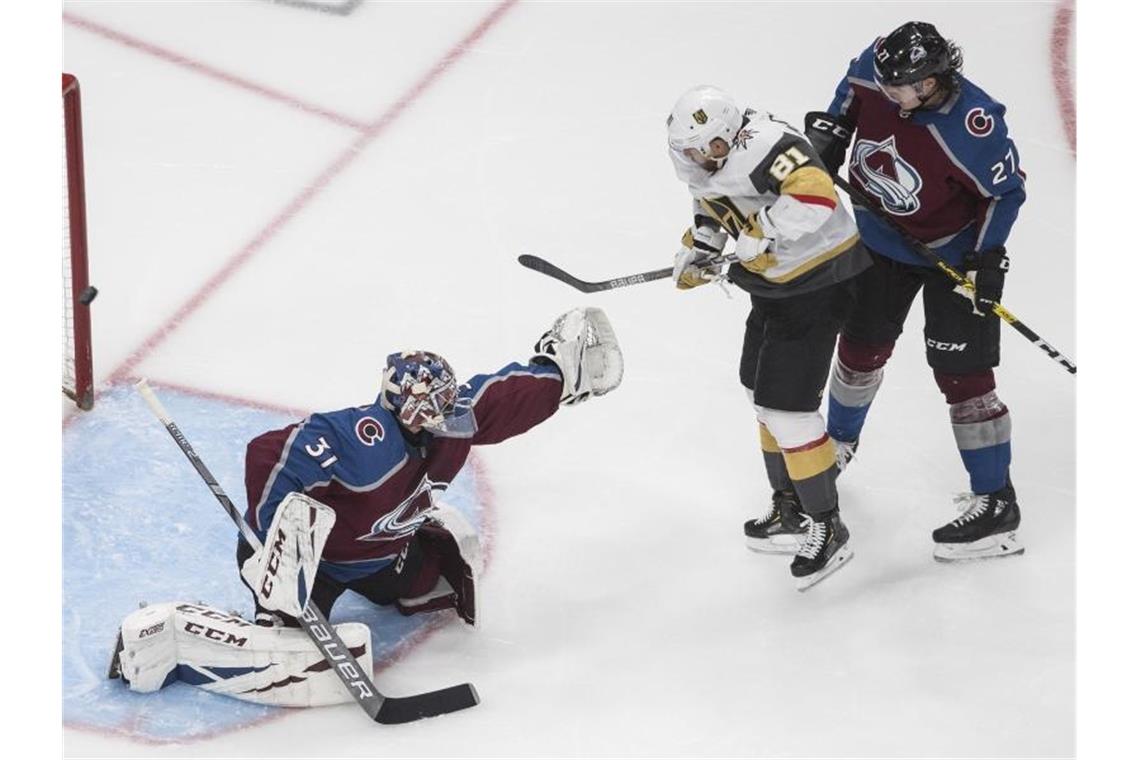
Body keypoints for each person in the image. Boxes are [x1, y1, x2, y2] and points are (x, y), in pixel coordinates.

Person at [109, 308, 623, 706]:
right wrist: (271, 543)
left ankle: (398, 569)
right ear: (406, 407)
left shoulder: (452, 424)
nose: (448, 418)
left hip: (387, 552)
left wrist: (557, 372)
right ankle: (214, 628)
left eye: (447, 406)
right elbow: (269, 454)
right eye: (434, 409)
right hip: (321, 566)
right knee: (286, 639)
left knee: (433, 585)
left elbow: (499, 399)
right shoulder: (358, 437)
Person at [802, 21, 1027, 562]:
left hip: (952, 256)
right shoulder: (875, 70)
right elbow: (848, 101)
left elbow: (1006, 193)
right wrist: (828, 138)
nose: (892, 96)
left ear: (934, 80)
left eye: (904, 88)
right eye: (888, 85)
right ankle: (837, 446)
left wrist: (986, 259)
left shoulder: (973, 125)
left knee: (964, 376)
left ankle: (997, 504)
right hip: (879, 241)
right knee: (859, 348)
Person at [667, 85, 872, 590]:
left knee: (788, 409)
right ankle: (791, 508)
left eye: (707, 148)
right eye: (690, 152)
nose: (700, 159)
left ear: (729, 134)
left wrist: (765, 232)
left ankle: (827, 523)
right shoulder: (707, 164)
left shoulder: (766, 144)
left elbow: (815, 193)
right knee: (759, 393)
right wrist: (703, 249)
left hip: (821, 282)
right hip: (777, 288)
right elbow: (714, 209)